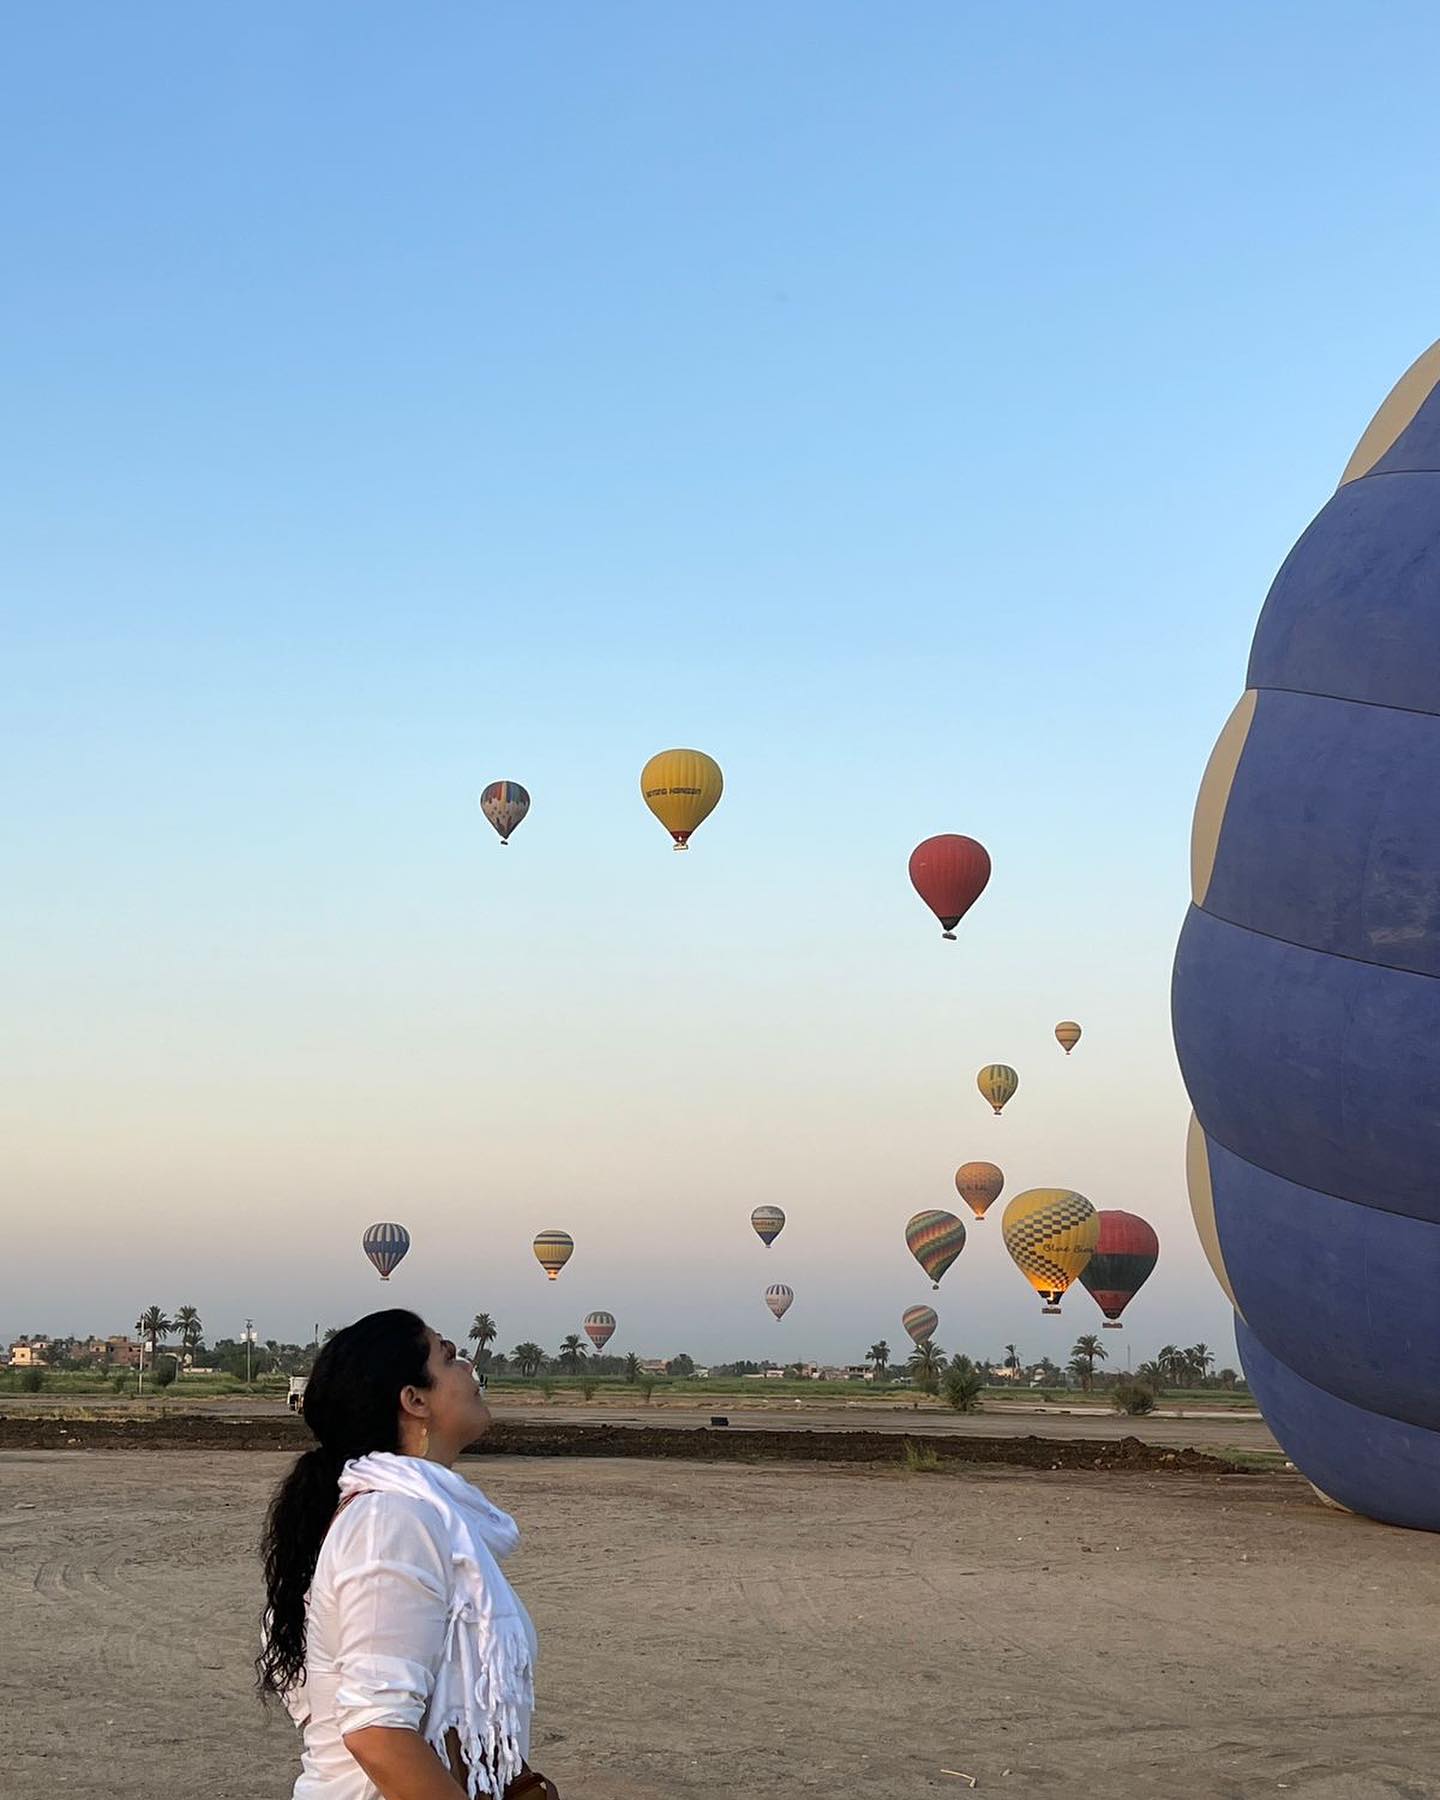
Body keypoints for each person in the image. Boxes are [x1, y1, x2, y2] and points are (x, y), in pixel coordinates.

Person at [257, 1309, 557, 1799]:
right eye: (449, 1357)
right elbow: (378, 1734)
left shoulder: (420, 1515)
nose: (469, 1371)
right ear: (414, 1400)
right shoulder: (390, 1522)